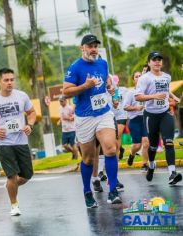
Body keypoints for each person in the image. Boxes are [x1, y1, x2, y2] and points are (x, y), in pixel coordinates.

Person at [63, 34, 121, 208]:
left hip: (103, 113)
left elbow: (109, 82)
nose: (93, 49)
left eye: (95, 45)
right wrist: (85, 86)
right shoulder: (75, 68)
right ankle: (87, 191)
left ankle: (113, 190)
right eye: (90, 46)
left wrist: (111, 89)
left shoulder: (102, 63)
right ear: (82, 48)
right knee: (88, 159)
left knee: (110, 148)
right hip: (84, 117)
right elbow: (66, 92)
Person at [0, 67, 36, 216]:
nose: (10, 83)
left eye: (12, 80)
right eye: (6, 80)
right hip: (3, 142)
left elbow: (31, 112)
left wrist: (29, 125)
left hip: (21, 141)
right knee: (11, 175)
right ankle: (14, 205)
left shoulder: (22, 96)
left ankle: (10, 186)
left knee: (27, 175)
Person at [135, 51, 182, 185]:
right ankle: (151, 165)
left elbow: (166, 90)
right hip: (151, 115)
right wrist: (154, 96)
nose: (157, 62)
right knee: (153, 146)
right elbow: (138, 97)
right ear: (149, 63)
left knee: (168, 142)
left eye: (159, 60)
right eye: (154, 60)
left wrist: (173, 97)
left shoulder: (167, 77)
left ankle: (172, 173)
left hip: (165, 113)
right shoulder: (144, 78)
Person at [124, 71, 149, 171]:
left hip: (145, 119)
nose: (138, 78)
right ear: (133, 79)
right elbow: (125, 107)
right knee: (137, 145)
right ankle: (132, 154)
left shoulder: (147, 92)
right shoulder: (130, 93)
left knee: (146, 142)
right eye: (136, 76)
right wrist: (135, 108)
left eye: (140, 76)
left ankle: (144, 164)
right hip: (134, 120)